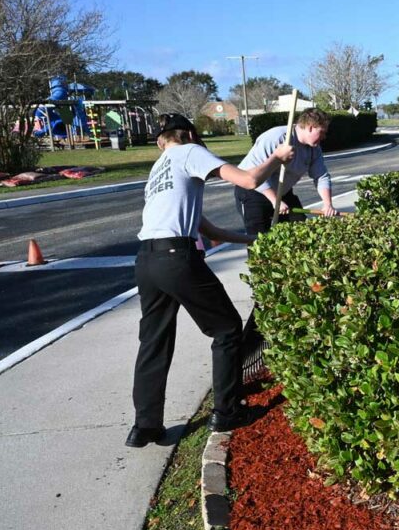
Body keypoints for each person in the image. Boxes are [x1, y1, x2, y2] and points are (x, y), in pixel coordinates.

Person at [126, 114, 294, 448]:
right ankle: (227, 411)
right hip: (177, 258)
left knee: (154, 341)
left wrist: (253, 240)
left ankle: (144, 426)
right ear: (188, 133)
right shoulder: (188, 151)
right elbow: (247, 180)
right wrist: (276, 157)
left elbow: (209, 230)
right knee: (227, 328)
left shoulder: (159, 170)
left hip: (147, 261)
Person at [234, 107, 338, 235]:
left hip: (282, 192)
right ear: (311, 127)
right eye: (322, 132)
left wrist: (328, 204)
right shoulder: (276, 138)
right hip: (253, 192)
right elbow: (251, 172)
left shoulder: (314, 149)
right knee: (259, 241)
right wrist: (274, 201)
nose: (324, 137)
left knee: (300, 232)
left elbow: (321, 176)